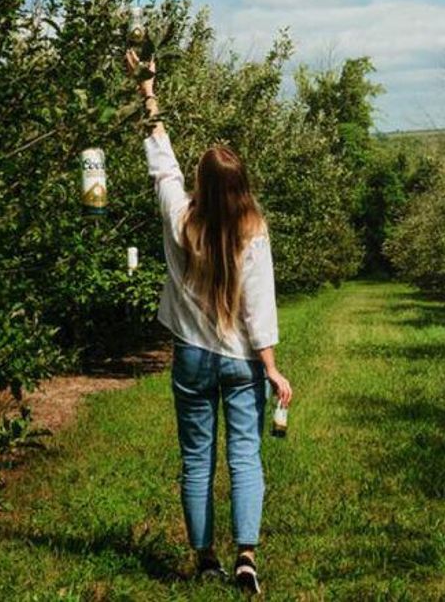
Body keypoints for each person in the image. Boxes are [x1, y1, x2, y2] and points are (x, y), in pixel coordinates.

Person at [127, 49, 293, 594]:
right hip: (241, 360)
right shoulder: (254, 230)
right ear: (242, 187)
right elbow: (259, 307)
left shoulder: (181, 219)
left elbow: (161, 161)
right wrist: (271, 368)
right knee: (244, 455)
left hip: (192, 357)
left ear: (201, 181)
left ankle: (204, 559)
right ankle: (246, 556)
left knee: (196, 457)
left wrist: (148, 90)